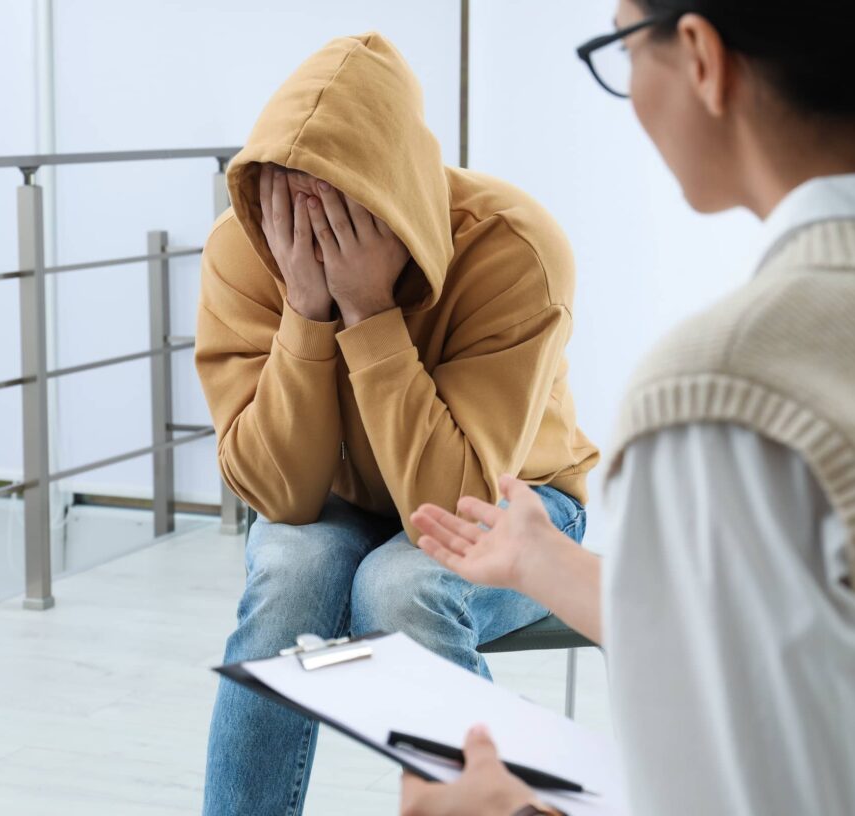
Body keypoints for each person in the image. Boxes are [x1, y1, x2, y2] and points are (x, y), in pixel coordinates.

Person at [404, 2, 855, 815]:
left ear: (700, 55)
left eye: (620, 44)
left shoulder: (725, 390)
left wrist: (505, 813)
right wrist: (548, 563)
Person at [195, 32, 600, 815]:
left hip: (519, 502)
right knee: (290, 573)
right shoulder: (245, 251)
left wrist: (371, 312)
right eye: (285, 196)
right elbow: (279, 495)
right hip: (336, 496)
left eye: (342, 202)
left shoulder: (512, 246)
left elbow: (458, 506)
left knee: (401, 585)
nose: (307, 223)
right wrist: (308, 311)